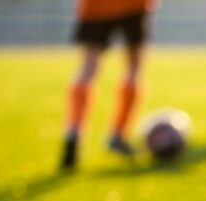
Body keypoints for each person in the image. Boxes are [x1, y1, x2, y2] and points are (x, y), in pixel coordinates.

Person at [61, 0, 156, 170]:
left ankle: (73, 131)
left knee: (88, 68)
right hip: (133, 4)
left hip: (96, 5)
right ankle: (118, 135)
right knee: (134, 67)